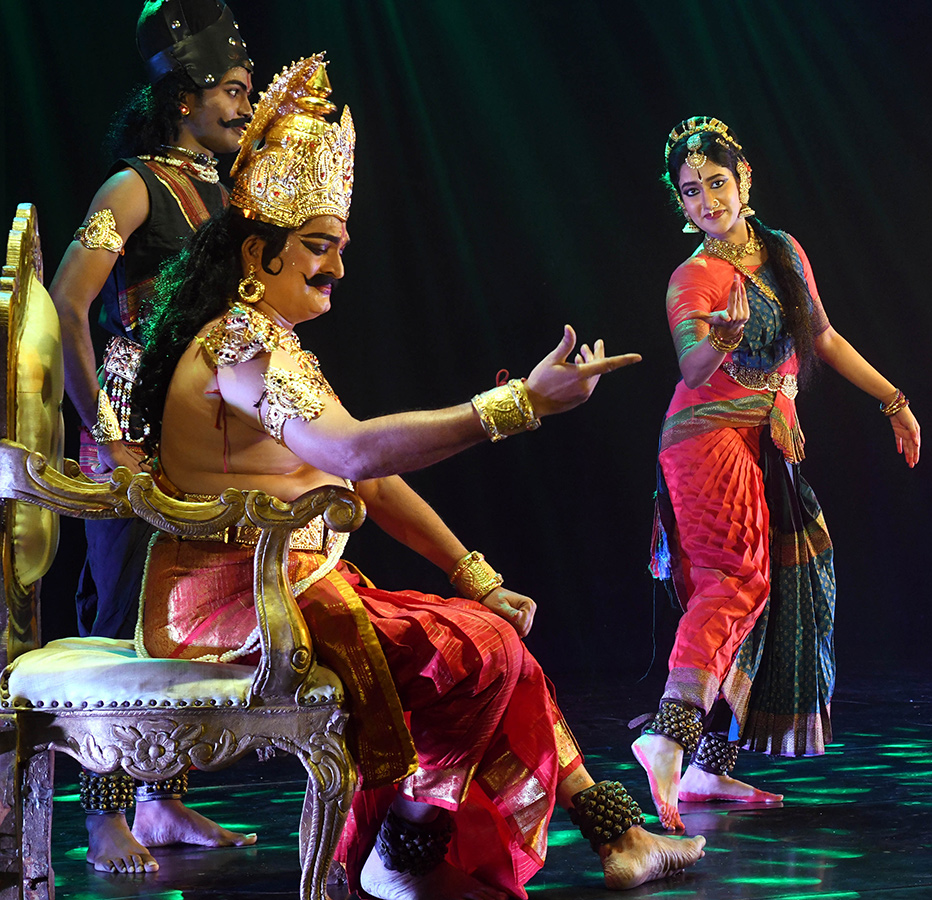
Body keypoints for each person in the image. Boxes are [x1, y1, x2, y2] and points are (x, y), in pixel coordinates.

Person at [128, 54, 706, 900]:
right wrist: (521, 404)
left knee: (496, 641)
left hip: (292, 584)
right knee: (479, 652)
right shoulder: (239, 347)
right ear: (259, 251)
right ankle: (401, 855)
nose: (338, 269)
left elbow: (362, 479)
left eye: (340, 247)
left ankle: (615, 839)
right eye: (319, 248)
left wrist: (474, 572)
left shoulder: (265, 344)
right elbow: (361, 454)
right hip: (236, 600)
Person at [637, 117, 921, 833]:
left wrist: (893, 400)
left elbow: (820, 336)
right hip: (708, 438)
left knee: (781, 590)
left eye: (717, 183)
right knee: (736, 582)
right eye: (690, 191)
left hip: (772, 443)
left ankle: (710, 767)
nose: (706, 201)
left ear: (747, 180)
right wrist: (720, 340)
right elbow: (692, 366)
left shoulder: (785, 251)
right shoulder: (693, 276)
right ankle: (667, 737)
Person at [46, 0, 256, 872]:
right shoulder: (132, 187)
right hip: (133, 427)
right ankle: (101, 817)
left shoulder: (227, 190)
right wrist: (103, 426)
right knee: (119, 622)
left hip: (203, 431)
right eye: (233, 91)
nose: (244, 107)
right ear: (184, 98)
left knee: (184, 618)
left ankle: (161, 800)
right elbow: (65, 300)